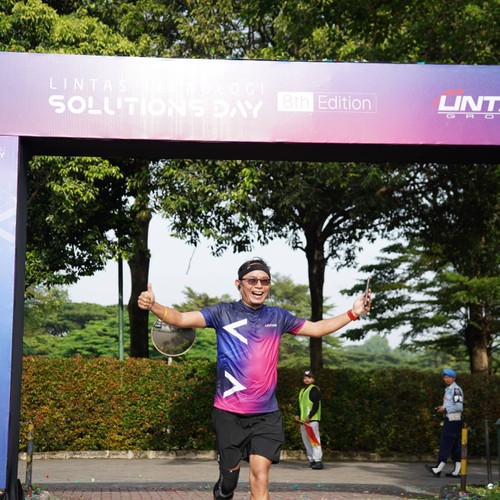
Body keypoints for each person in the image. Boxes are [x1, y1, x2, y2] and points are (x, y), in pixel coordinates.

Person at [138, 257, 371, 500]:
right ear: (239, 284)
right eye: (252, 280)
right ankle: (224, 489)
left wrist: (353, 313)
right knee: (229, 482)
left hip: (266, 416)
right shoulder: (222, 312)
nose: (259, 286)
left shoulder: (278, 316)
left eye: (265, 281)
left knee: (261, 477)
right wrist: (155, 305)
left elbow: (317, 328)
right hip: (229, 413)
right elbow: (179, 319)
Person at [424, 368, 464, 479]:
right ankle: (457, 471)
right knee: (455, 446)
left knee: (445, 443)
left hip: (453, 420)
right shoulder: (449, 389)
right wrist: (443, 407)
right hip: (453, 420)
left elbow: (459, 407)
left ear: (454, 378)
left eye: (449, 377)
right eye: (445, 377)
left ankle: (438, 469)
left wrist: (445, 409)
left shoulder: (456, 390)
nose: (446, 379)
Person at [294, 370, 323, 469]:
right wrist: (297, 414)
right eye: (305, 378)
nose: (306, 379)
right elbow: (300, 405)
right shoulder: (302, 391)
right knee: (306, 441)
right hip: (303, 421)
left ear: (313, 379)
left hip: (312, 420)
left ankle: (318, 460)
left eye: (309, 377)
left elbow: (316, 405)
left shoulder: (314, 389)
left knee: (314, 440)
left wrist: (309, 416)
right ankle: (312, 460)